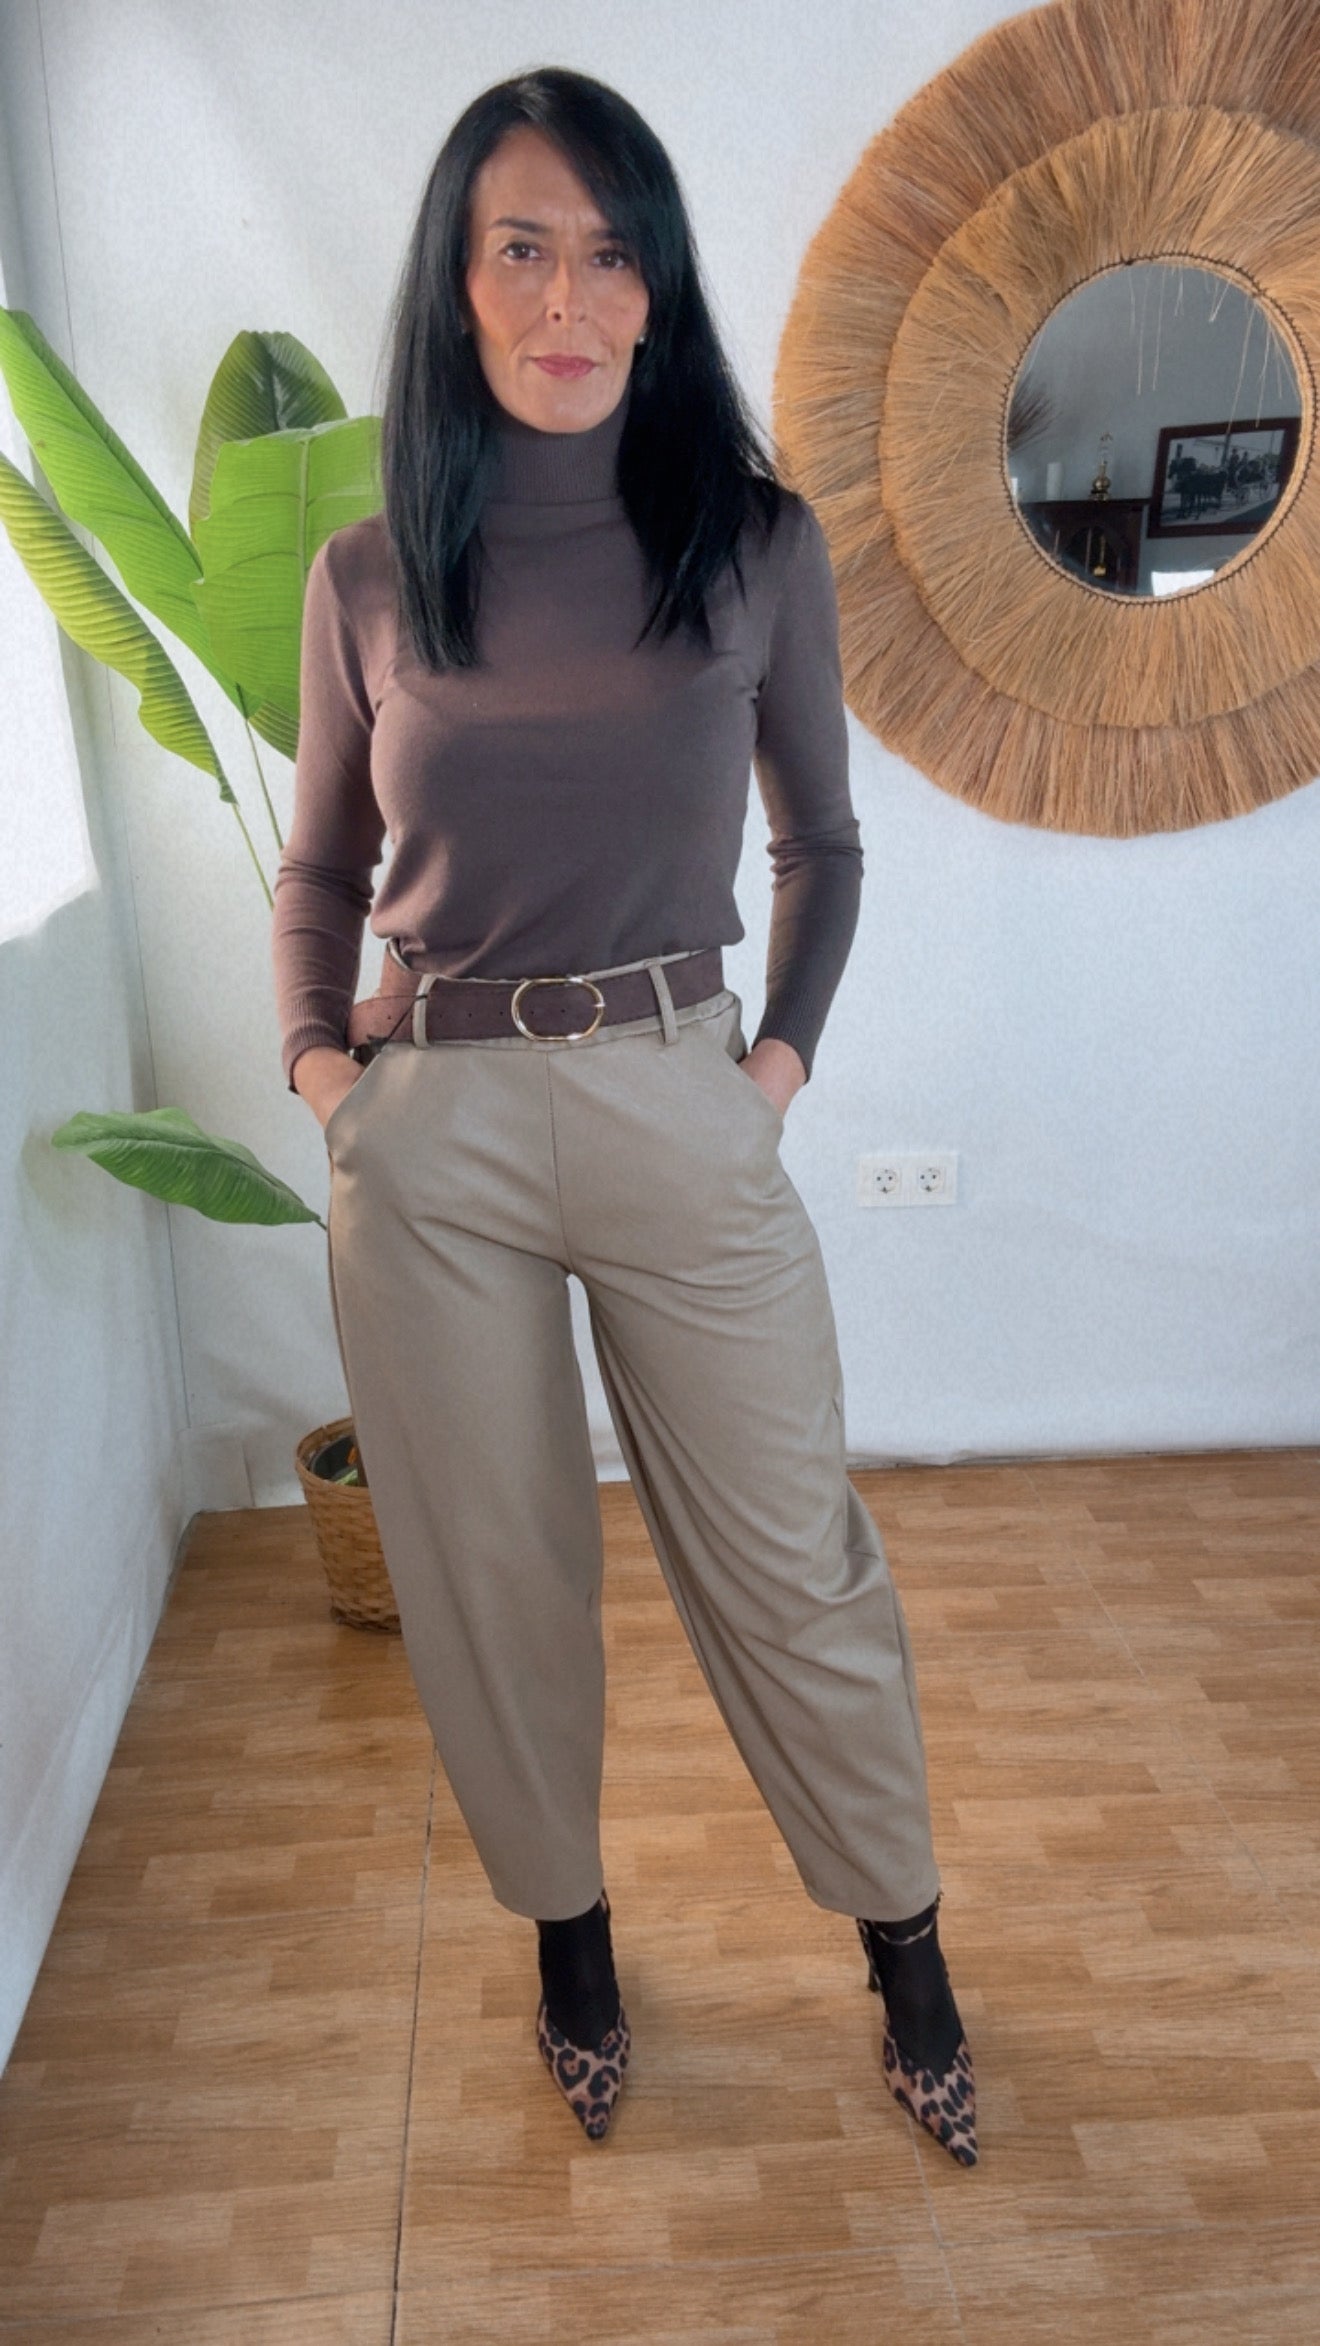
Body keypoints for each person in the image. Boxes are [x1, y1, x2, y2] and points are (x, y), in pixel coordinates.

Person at [271, 64, 976, 2169]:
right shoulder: (370, 573)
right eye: (522, 248)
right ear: (459, 282)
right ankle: (569, 1940)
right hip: (440, 1137)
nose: (567, 297)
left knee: (794, 1559)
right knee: (494, 1578)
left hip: (680, 1093)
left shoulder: (752, 544)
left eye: (608, 253)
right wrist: (326, 1077)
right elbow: (321, 870)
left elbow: (823, 846)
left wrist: (767, 1078)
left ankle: (908, 1946)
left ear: (657, 287)